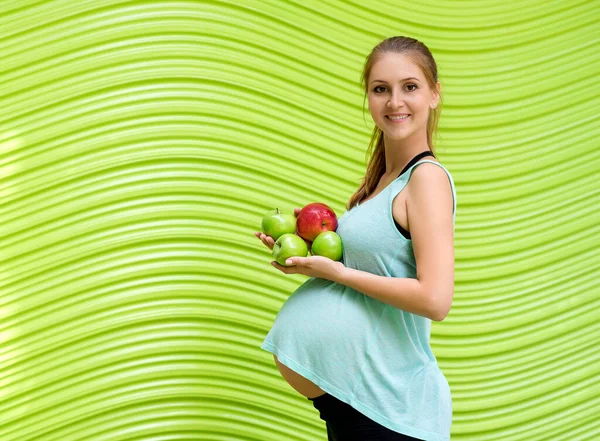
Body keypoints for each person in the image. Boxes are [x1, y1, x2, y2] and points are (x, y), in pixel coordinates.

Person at [254, 36, 456, 441]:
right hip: (363, 408)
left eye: (410, 87)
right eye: (380, 89)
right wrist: (308, 246)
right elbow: (378, 267)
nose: (394, 101)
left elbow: (435, 300)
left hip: (392, 411)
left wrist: (337, 274)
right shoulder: (381, 183)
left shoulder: (426, 179)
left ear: (434, 94)